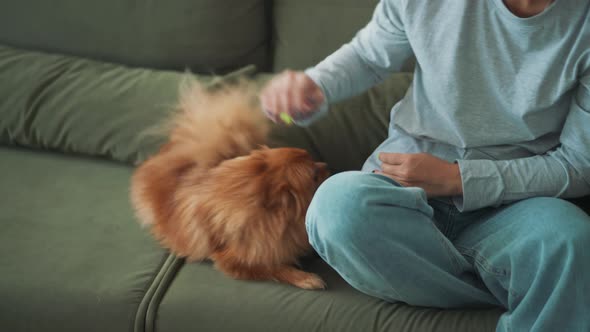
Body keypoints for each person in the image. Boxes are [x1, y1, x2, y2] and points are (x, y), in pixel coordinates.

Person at [260, 0, 590, 331]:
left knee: (571, 240)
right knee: (337, 209)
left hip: (518, 205)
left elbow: (578, 164)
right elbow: (369, 56)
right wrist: (316, 85)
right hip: (403, 194)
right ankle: (524, 291)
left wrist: (458, 179)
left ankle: (526, 288)